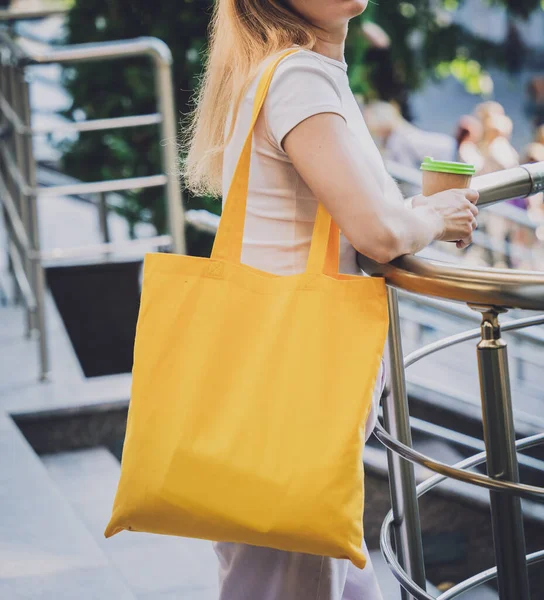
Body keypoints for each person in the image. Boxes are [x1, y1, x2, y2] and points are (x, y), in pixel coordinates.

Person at [180, 2, 478, 599]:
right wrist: (432, 214)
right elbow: (377, 230)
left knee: (316, 577)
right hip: (292, 393)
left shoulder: (294, 70)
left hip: (270, 383)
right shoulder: (298, 77)